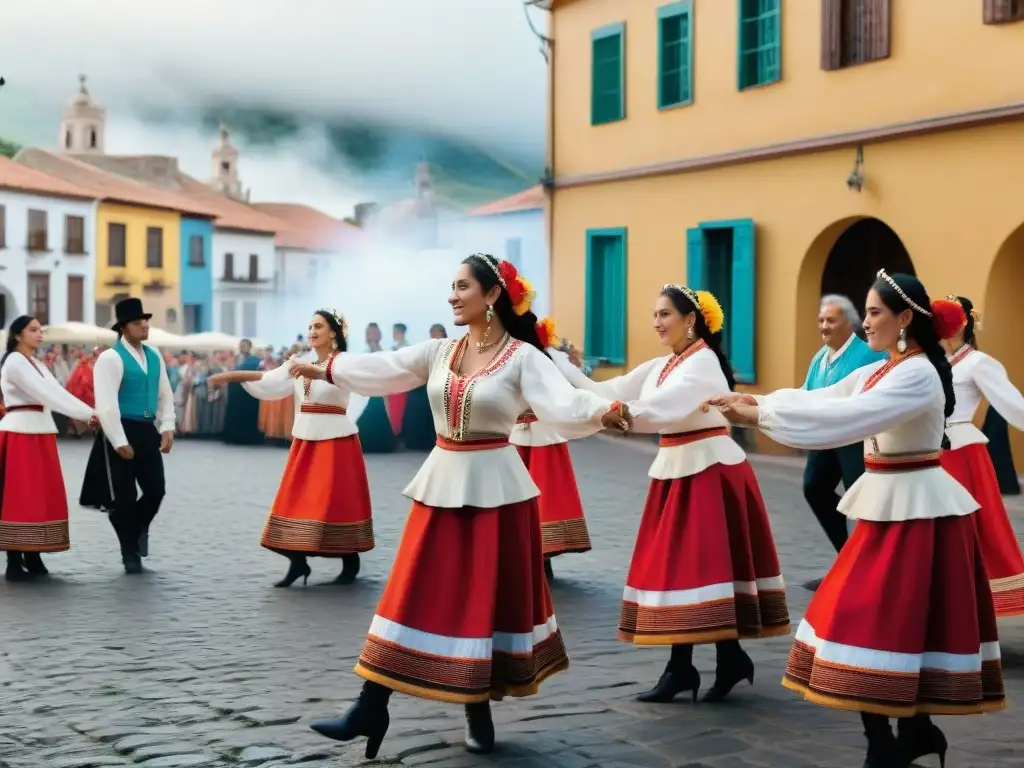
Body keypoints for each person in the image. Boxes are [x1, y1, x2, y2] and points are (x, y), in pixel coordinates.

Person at [291, 253, 630, 758]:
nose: (452, 295)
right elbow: (382, 368)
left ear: (492, 295)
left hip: (497, 490)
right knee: (409, 590)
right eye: (451, 286)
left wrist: (605, 410)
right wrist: (327, 365)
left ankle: (476, 705)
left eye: (463, 286)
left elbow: (563, 402)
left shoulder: (522, 357)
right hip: (442, 482)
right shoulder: (439, 351)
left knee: (482, 600)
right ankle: (370, 703)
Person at [706, 271, 1003, 768]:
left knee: (871, 618)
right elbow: (827, 398)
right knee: (889, 621)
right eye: (864, 312)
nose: (865, 323)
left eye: (874, 313)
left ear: (905, 318)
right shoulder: (883, 368)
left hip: (916, 512)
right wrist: (758, 401)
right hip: (887, 507)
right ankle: (908, 733)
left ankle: (891, 741)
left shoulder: (918, 372)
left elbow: (850, 418)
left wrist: (759, 419)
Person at [553, 285, 790, 704]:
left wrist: (618, 417)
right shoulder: (666, 364)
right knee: (694, 568)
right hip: (681, 470)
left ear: (691, 320)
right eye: (655, 314)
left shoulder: (702, 365)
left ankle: (686, 666)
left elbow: (660, 408)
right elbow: (610, 390)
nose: (657, 322)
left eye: (665, 314)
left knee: (696, 568)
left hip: (708, 471)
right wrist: (552, 362)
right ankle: (717, 659)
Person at [209, 310, 373, 587]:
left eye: (318, 326)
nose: (312, 331)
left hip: (335, 443)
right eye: (310, 326)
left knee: (333, 504)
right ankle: (298, 563)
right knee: (294, 503)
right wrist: (228, 376)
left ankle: (349, 559)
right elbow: (269, 379)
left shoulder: (344, 363)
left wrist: (322, 376)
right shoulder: (301, 363)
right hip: (306, 442)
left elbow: (361, 386)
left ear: (333, 332)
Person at [940, 295, 1024, 617]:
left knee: (966, 530)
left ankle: (967, 603)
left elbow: (1013, 404)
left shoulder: (978, 363)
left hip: (962, 453)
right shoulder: (933, 361)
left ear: (962, 324)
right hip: (933, 451)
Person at [81, 298, 176, 574]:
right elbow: (107, 403)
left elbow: (165, 393)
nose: (145, 325)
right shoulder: (110, 358)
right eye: (138, 322)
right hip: (120, 429)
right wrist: (119, 441)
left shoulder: (154, 354)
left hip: (147, 429)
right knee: (122, 498)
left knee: (156, 489)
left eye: (146, 321)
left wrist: (168, 425)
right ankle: (129, 553)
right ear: (124, 327)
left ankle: (136, 529)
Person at [0, 316, 96, 581]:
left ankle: (33, 552)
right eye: (33, 330)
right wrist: (88, 415)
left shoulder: (37, 363)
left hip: (40, 429)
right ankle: (14, 558)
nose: (39, 334)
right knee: (19, 495)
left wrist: (90, 412)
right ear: (18, 334)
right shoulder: (15, 361)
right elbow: (47, 394)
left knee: (40, 493)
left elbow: (57, 392)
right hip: (20, 430)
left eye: (41, 330)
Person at [801, 296, 886, 580]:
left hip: (857, 440)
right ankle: (847, 556)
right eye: (821, 320)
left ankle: (871, 568)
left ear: (849, 323)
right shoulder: (819, 357)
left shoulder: (870, 354)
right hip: (827, 438)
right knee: (814, 488)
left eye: (831, 320)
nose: (824, 327)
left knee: (861, 501)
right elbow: (807, 392)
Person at [511, 317, 593, 580]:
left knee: (544, 496)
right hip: (515, 434)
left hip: (544, 434)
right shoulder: (508, 353)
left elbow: (577, 384)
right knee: (516, 495)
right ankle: (524, 555)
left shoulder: (547, 356)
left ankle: (542, 555)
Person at [221, 339, 263, 445]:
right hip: (235, 389)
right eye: (241, 345)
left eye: (244, 345)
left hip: (248, 391)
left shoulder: (254, 360)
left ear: (249, 347)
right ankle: (232, 436)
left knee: (248, 413)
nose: (242, 347)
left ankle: (247, 437)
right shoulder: (235, 359)